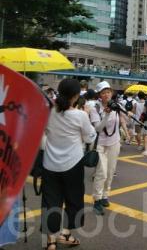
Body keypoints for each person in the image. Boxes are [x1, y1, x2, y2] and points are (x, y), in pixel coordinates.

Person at [41, 78, 97, 249]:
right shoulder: (80, 115)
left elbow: (43, 132)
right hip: (73, 164)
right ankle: (66, 234)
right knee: (73, 200)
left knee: (51, 202)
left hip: (49, 163)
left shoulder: (48, 111)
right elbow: (90, 137)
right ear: (75, 95)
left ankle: (51, 241)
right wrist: (85, 114)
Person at [89, 81, 123, 215]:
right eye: (103, 93)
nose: (106, 94)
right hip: (100, 144)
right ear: (99, 95)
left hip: (114, 142)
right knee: (101, 172)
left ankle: (105, 195)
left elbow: (120, 122)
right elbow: (98, 128)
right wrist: (107, 113)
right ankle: (97, 199)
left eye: (108, 92)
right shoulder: (95, 109)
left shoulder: (116, 106)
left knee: (110, 171)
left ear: (112, 93)